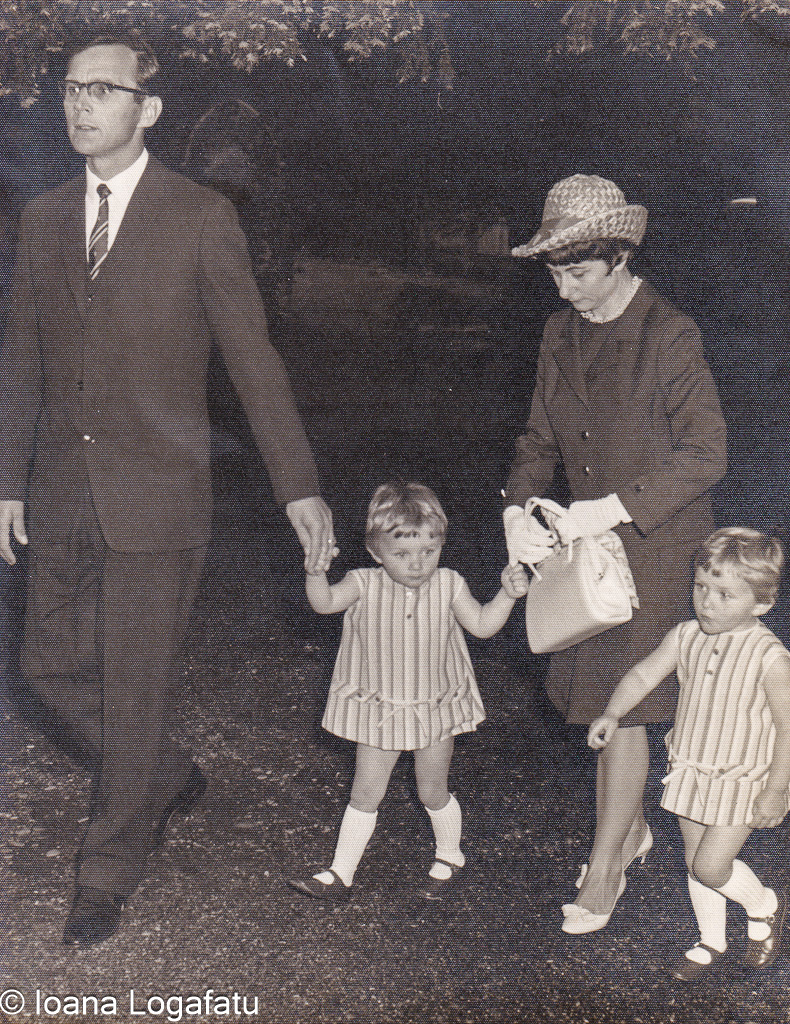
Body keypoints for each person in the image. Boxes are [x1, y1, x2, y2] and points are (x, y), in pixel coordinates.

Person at [0, 31, 336, 947]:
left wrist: (298, 486)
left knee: (135, 688)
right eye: (72, 88)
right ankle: (163, 774)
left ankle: (105, 873)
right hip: (62, 491)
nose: (80, 104)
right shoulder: (43, 216)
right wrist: (8, 480)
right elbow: (22, 357)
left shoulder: (200, 217)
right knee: (44, 669)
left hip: (161, 498)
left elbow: (252, 358)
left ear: (148, 109)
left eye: (102, 90)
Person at [503, 174, 727, 934]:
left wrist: (611, 507)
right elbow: (538, 439)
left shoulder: (670, 333)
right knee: (604, 704)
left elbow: (708, 453)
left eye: (579, 272)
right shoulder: (558, 332)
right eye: (555, 273)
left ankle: (605, 870)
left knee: (623, 711)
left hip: (659, 547)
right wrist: (517, 512)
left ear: (620, 258)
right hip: (588, 556)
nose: (565, 290)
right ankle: (626, 835)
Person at [288, 481, 528, 898]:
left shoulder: (450, 584)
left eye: (428, 551)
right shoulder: (362, 583)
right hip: (380, 707)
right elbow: (323, 603)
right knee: (365, 791)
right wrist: (316, 572)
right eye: (402, 554)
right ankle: (341, 873)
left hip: (435, 706)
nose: (417, 564)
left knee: (431, 790)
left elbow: (482, 626)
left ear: (441, 545)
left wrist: (507, 595)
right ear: (375, 552)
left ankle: (451, 854)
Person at [589, 528, 790, 978]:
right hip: (691, 769)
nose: (707, 603)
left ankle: (765, 905)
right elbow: (643, 675)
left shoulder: (771, 658)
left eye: (724, 594)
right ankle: (711, 940)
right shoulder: (685, 636)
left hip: (745, 779)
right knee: (694, 863)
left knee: (712, 865)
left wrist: (777, 790)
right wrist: (613, 712)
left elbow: (788, 728)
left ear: (761, 604)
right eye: (701, 587)